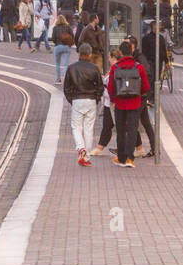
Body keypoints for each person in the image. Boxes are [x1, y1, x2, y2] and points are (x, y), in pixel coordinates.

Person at [106, 40, 150, 168]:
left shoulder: (115, 67)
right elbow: (146, 86)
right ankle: (130, 158)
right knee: (132, 130)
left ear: (120, 52)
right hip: (135, 103)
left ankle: (121, 158)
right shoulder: (138, 67)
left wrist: (113, 99)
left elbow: (110, 87)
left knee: (120, 131)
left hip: (120, 103)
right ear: (131, 51)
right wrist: (137, 94)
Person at [63, 42, 103, 167]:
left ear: (79, 53)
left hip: (77, 100)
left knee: (76, 127)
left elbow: (66, 87)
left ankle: (81, 148)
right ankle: (86, 156)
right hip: (91, 100)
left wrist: (72, 99)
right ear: (90, 54)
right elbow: (100, 87)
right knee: (88, 128)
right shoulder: (95, 68)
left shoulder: (71, 68)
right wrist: (96, 99)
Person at [127, 35, 158, 159]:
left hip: (140, 95)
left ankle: (125, 149)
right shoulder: (135, 57)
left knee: (132, 121)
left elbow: (147, 75)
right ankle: (154, 148)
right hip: (141, 94)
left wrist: (143, 92)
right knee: (145, 122)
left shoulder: (139, 59)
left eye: (127, 43)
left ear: (133, 46)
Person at [52, 13, 75, 85]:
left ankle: (58, 79)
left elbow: (53, 39)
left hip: (58, 46)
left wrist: (57, 43)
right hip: (66, 47)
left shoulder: (55, 28)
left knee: (58, 64)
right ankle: (66, 80)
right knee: (65, 64)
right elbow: (72, 36)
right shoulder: (68, 27)